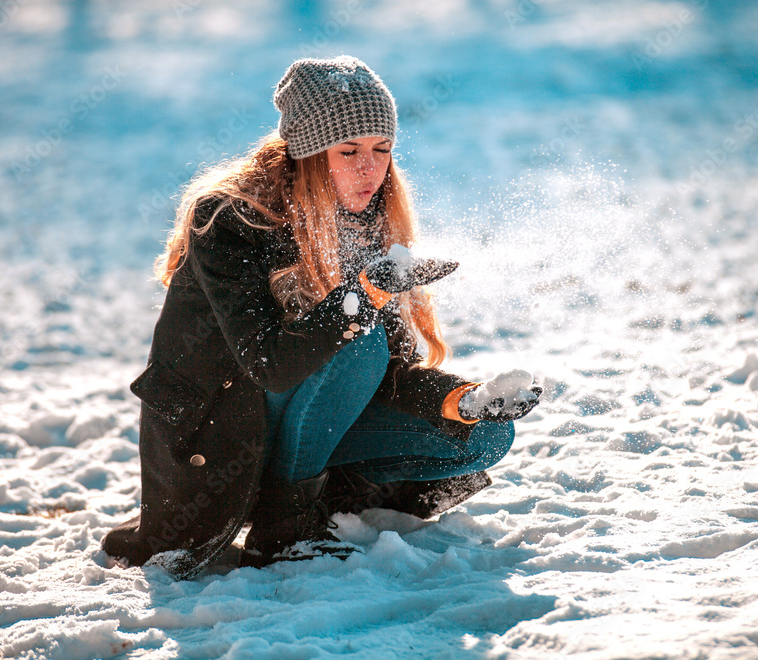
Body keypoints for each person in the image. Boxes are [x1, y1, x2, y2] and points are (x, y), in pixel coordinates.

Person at [101, 55, 542, 580]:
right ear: (307, 154)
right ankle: (282, 532)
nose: (368, 169)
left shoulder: (366, 218)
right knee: (358, 340)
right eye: (349, 150)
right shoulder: (231, 218)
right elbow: (270, 363)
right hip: (223, 435)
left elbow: (387, 374)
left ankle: (315, 500)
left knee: (484, 435)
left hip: (306, 424)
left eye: (382, 150)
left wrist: (463, 400)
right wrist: (366, 293)